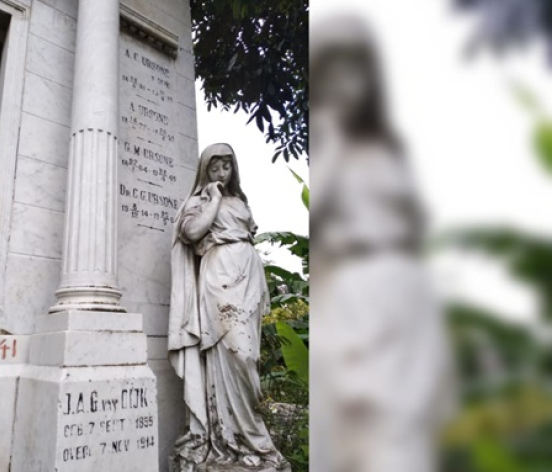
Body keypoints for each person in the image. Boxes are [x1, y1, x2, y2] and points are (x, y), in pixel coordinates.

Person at [310, 15, 456, 472]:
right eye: (334, 71)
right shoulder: (326, 144)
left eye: (355, 70)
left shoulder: (390, 148)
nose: (345, 83)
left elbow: (417, 222)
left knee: (409, 436)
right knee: (358, 436)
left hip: (403, 287)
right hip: (353, 293)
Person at [168, 143, 289, 472]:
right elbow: (192, 231)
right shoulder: (200, 201)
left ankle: (247, 437)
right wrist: (214, 198)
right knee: (236, 352)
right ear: (205, 171)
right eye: (215, 167)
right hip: (219, 279)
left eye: (227, 167)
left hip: (247, 276)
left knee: (249, 357)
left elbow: (248, 234)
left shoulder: (241, 202)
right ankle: (230, 438)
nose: (222, 173)